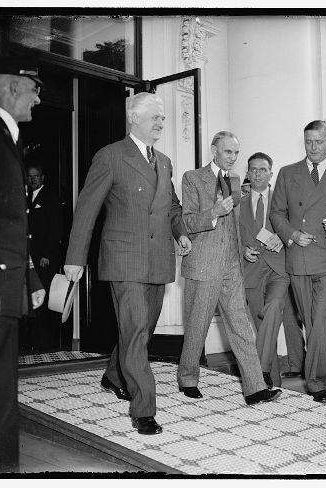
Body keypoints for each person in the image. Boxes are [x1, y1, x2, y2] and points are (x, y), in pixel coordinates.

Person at [64, 92, 191, 435]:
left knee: (142, 331)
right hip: (124, 260)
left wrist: (180, 233)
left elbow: (172, 206)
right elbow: (87, 209)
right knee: (136, 332)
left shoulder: (163, 161)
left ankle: (112, 375)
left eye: (163, 118)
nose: (161, 123)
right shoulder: (109, 156)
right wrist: (75, 259)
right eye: (156, 117)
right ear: (134, 118)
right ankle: (144, 409)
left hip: (158, 260)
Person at [177, 131, 282, 406]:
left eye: (236, 153)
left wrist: (242, 250)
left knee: (241, 326)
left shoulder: (235, 182)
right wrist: (213, 212)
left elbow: (236, 224)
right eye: (227, 152)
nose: (233, 158)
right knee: (197, 325)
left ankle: (255, 388)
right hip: (203, 264)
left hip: (232, 265)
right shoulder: (193, 178)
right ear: (214, 150)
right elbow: (186, 221)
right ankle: (188, 378)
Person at [0, 56, 45, 472]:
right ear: (12, 88)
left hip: (5, 283)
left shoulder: (5, 137)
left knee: (1, 383)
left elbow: (9, 226)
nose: (39, 99)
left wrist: (31, 278)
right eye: (34, 89)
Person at [270, 120, 326, 403]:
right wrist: (292, 234)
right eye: (309, 142)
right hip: (300, 256)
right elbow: (277, 213)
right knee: (311, 321)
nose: (314, 148)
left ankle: (315, 381)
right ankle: (321, 376)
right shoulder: (287, 173)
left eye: (319, 141)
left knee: (321, 320)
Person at [239, 152, 289, 388]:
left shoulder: (283, 199)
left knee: (274, 307)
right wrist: (242, 250)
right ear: (248, 173)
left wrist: (282, 236)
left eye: (262, 169)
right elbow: (230, 235)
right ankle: (271, 383)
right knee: (263, 331)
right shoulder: (237, 202)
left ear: (271, 172)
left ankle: (257, 373)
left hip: (278, 267)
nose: (257, 173)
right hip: (251, 271)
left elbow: (295, 224)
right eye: (253, 169)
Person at [24, 161, 63, 350]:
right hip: (27, 259)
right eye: (29, 176)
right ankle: (31, 342)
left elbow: (55, 230)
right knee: (31, 299)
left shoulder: (50, 198)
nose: (32, 179)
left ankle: (46, 344)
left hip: (44, 260)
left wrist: (47, 254)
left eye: (36, 176)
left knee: (44, 299)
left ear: (42, 177)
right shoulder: (24, 198)